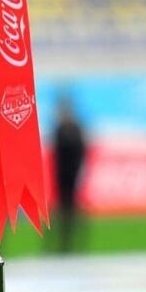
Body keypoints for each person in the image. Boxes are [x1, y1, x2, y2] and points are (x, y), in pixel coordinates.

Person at [54, 96, 86, 252]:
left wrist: (79, 171)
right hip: (61, 175)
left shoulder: (75, 129)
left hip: (73, 174)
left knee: (73, 208)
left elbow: (81, 152)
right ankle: (62, 241)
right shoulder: (59, 129)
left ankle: (75, 241)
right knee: (61, 209)